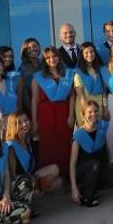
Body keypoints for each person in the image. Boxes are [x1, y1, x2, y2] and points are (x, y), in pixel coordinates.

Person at [32, 47, 76, 177]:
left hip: (64, 112)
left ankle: (67, 176)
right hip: (45, 115)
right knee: (48, 147)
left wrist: (71, 115)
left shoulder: (67, 74)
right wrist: (34, 121)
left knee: (65, 145)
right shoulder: (38, 77)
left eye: (54, 56)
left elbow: (72, 95)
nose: (52, 59)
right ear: (44, 60)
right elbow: (34, 100)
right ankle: (50, 178)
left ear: (59, 57)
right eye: (48, 57)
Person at [69, 101, 113, 207]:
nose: (93, 114)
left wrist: (109, 163)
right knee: (94, 164)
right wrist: (73, 187)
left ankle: (92, 185)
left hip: (98, 167)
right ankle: (86, 195)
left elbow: (105, 146)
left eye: (96, 111)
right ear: (83, 115)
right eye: (89, 112)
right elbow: (72, 163)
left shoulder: (101, 127)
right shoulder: (78, 135)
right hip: (84, 170)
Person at [5, 112, 35, 183]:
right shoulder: (11, 147)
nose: (24, 124)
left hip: (29, 176)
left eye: (26, 120)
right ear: (13, 126)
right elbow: (13, 176)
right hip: (20, 182)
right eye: (19, 123)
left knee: (54, 169)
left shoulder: (27, 139)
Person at [17, 38, 42, 113]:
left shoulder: (45, 64)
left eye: (34, 46)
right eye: (29, 48)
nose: (32, 49)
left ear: (39, 47)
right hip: (31, 106)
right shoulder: (22, 69)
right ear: (24, 51)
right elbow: (23, 92)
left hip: (47, 103)